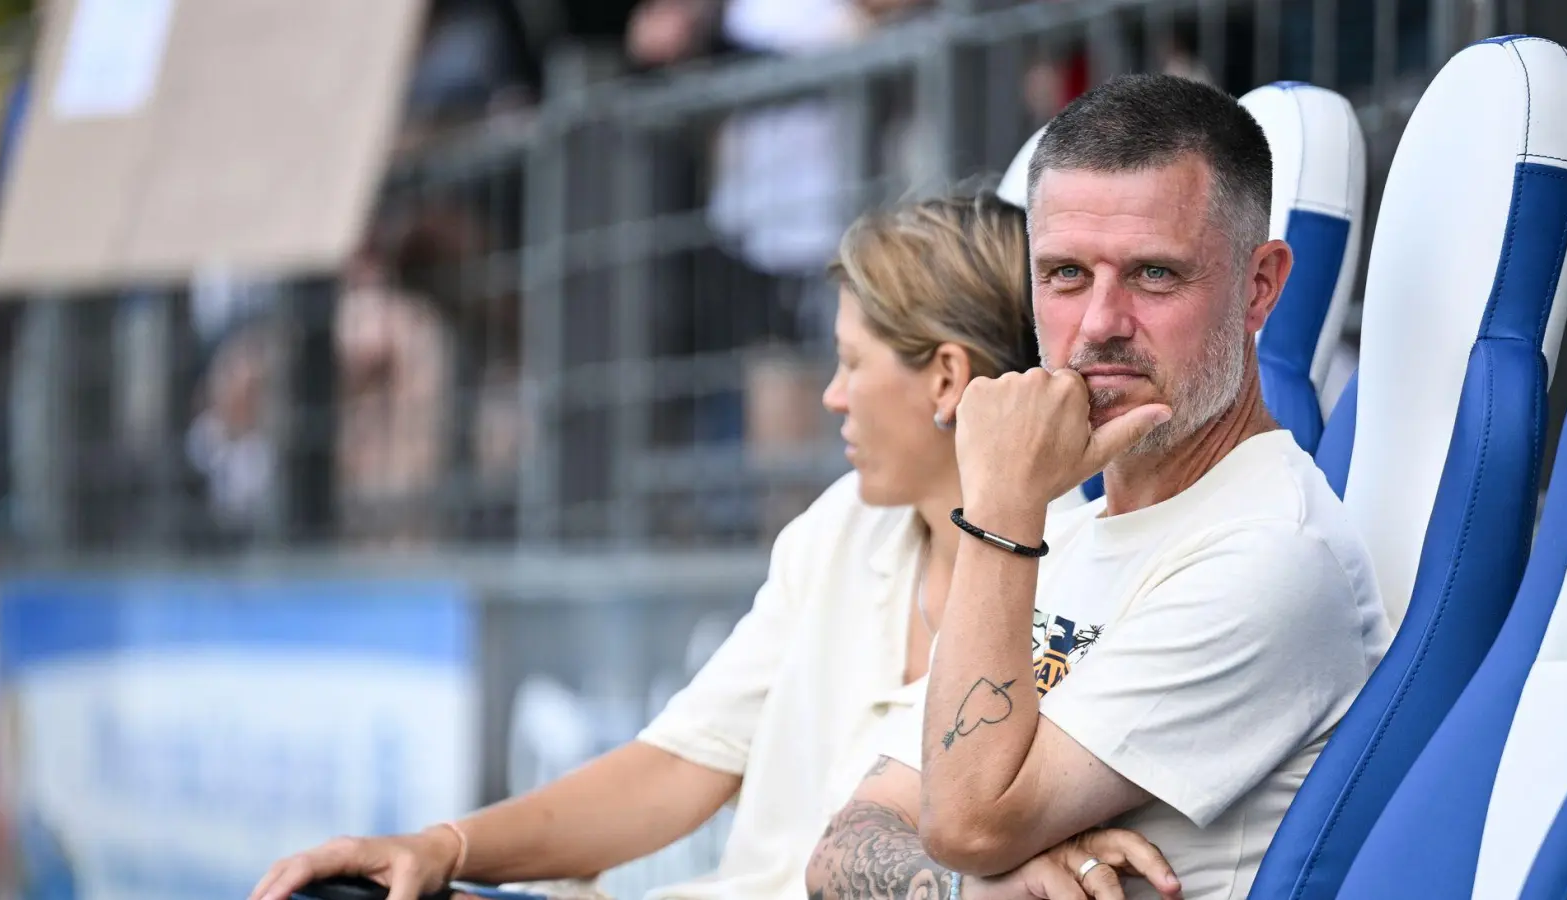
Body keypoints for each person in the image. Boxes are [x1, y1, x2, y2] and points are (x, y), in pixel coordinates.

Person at [249, 190, 1176, 900]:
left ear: (944, 377)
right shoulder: (841, 525)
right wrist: (442, 847)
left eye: (851, 363)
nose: (831, 397)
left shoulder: (1092, 568)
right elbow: (675, 768)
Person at [806, 74, 1392, 900]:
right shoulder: (1071, 534)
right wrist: (974, 886)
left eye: (1154, 274)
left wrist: (1004, 505)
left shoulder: (1272, 555)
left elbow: (963, 820)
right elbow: (842, 847)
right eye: (1066, 274)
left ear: (1259, 285)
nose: (1100, 322)